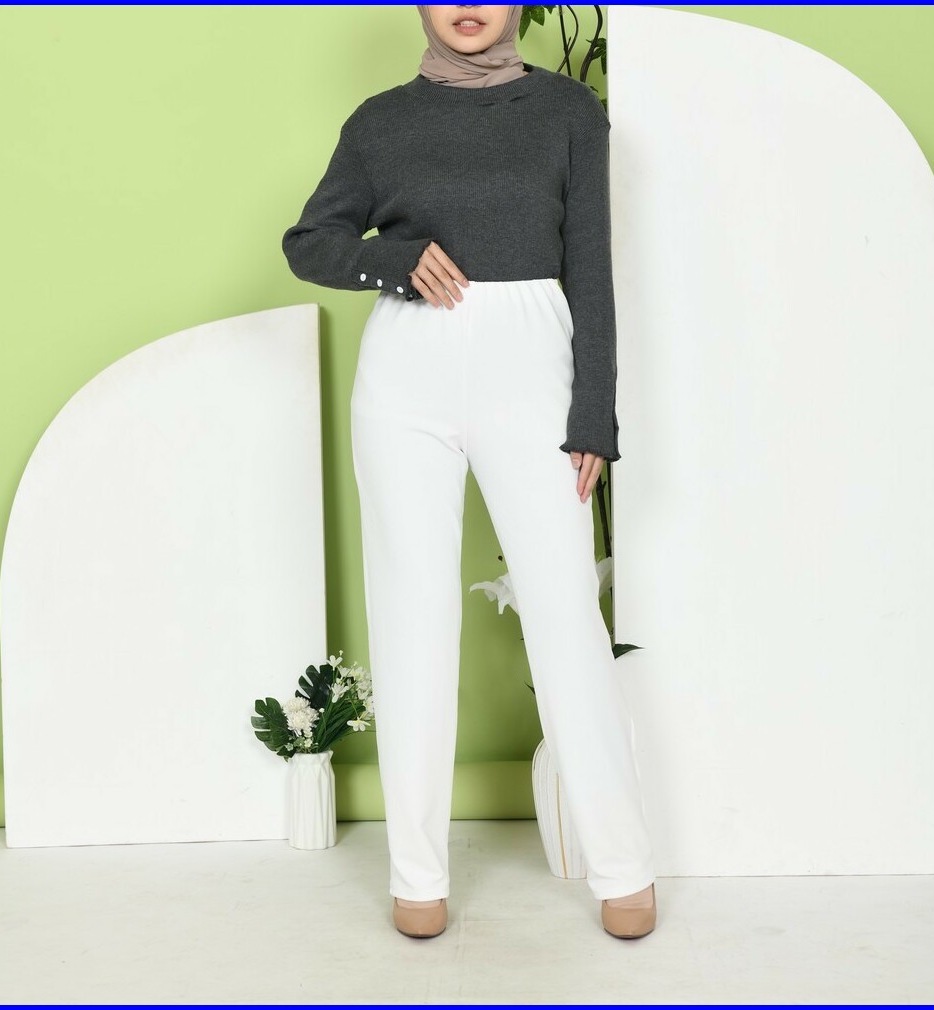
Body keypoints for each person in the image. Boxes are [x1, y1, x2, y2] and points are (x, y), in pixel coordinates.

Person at [281, 4, 657, 940]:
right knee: (410, 614)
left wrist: (594, 414)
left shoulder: (568, 113)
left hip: (532, 363)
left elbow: (592, 268)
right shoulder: (380, 122)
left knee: (564, 611)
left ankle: (622, 863)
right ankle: (417, 873)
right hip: (406, 371)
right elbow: (309, 242)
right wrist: (394, 260)